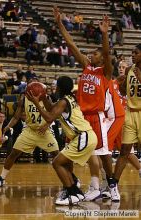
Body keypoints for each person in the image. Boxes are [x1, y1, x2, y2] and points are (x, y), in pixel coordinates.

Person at [53, 6, 118, 202]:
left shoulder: (105, 72)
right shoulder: (86, 66)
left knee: (103, 153)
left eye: (94, 54)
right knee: (80, 151)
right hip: (81, 116)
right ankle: (84, 186)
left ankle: (112, 186)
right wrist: (60, 24)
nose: (91, 55)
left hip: (97, 116)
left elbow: (106, 55)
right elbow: (71, 45)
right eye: (91, 54)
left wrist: (104, 35)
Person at [26, 76, 97, 205]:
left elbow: (49, 118)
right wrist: (43, 98)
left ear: (60, 87)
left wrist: (36, 103)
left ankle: (71, 193)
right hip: (84, 136)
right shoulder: (68, 98)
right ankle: (75, 191)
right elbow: (52, 109)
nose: (55, 87)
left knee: (57, 163)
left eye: (57, 85)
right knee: (64, 163)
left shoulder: (63, 102)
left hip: (83, 136)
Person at [0, 78, 59, 188]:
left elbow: (52, 114)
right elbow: (16, 117)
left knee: (57, 155)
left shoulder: (45, 97)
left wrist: (46, 125)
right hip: (29, 131)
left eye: (34, 85)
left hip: (44, 131)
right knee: (14, 153)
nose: (32, 87)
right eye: (30, 85)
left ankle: (71, 178)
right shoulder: (23, 99)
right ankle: (1, 178)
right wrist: (8, 126)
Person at [113, 44, 141, 186]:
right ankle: (113, 184)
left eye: (135, 53)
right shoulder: (130, 70)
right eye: (132, 53)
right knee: (124, 150)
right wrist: (121, 85)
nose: (133, 55)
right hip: (130, 112)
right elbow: (124, 91)